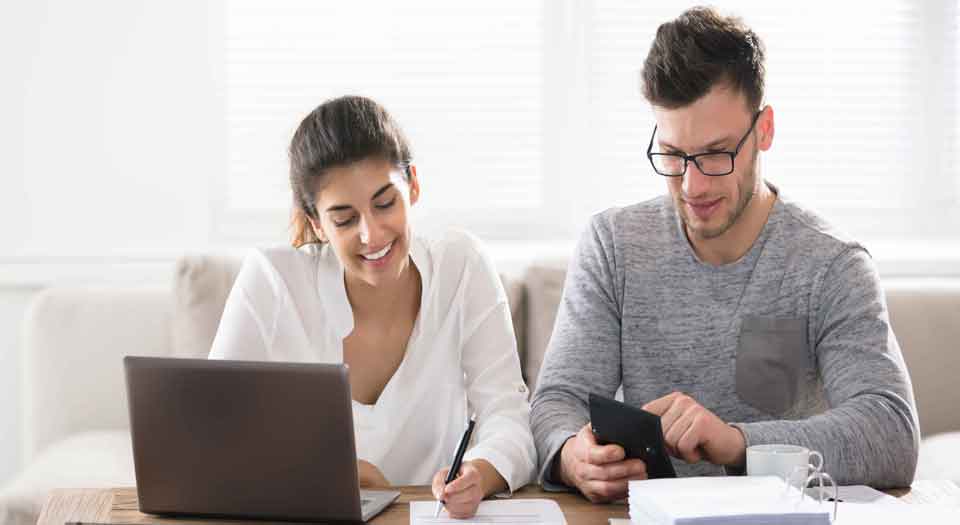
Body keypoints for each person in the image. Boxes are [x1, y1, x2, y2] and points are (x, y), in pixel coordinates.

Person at [530, 6, 919, 502]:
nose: (692, 186)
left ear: (765, 131)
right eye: (672, 155)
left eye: (716, 153)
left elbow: (891, 431)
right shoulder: (613, 246)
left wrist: (736, 443)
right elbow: (556, 402)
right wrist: (571, 453)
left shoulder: (831, 264)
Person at [209, 95, 536, 518]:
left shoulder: (461, 264)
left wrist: (479, 472)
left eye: (385, 204)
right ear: (316, 224)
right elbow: (214, 436)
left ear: (413, 184)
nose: (372, 234)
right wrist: (330, 474)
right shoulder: (272, 280)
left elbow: (508, 414)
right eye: (344, 219)